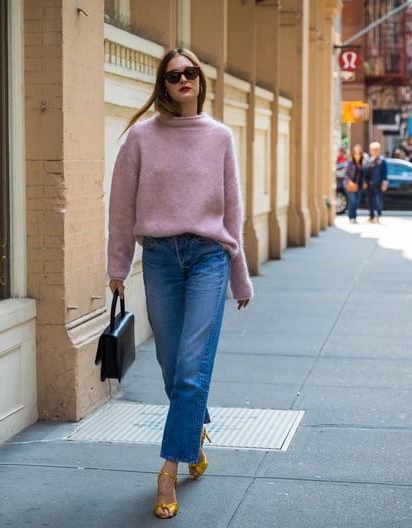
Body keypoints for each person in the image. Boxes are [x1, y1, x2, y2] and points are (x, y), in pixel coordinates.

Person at [107, 48, 253, 520]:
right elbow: (121, 208)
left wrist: (240, 274)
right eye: (175, 74)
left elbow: (233, 211)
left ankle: (168, 468)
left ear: (200, 81)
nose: (184, 79)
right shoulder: (140, 139)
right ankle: (194, 433)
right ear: (163, 84)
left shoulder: (220, 137)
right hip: (160, 258)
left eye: (192, 72)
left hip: (209, 257)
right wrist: (117, 264)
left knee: (191, 368)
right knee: (172, 366)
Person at [365, 142, 388, 223]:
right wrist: (365, 182)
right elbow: (366, 172)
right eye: (373, 150)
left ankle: (378, 216)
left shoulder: (382, 161)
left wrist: (384, 183)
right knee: (369, 201)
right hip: (369, 184)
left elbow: (385, 173)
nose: (374, 151)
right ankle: (371, 216)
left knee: (378, 200)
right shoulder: (368, 160)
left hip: (378, 184)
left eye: (376, 150)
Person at [342, 144, 366, 223]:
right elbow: (345, 174)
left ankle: (354, 217)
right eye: (356, 153)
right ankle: (351, 217)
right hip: (349, 185)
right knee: (352, 200)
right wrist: (350, 182)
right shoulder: (349, 163)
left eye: (359, 153)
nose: (357, 155)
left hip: (358, 185)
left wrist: (364, 182)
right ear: (353, 154)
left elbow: (363, 175)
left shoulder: (362, 163)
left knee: (357, 201)